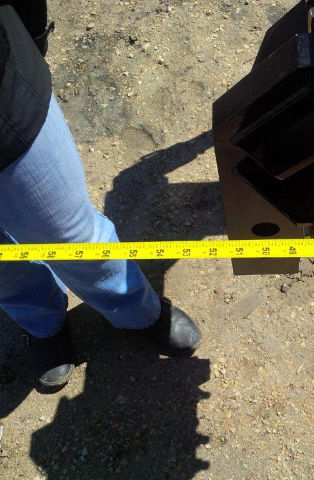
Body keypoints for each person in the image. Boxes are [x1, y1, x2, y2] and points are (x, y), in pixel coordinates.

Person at [0, 2, 201, 390]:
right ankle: (42, 322)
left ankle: (137, 309)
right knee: (1, 267)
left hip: (5, 103)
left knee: (73, 237)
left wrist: (33, 38)